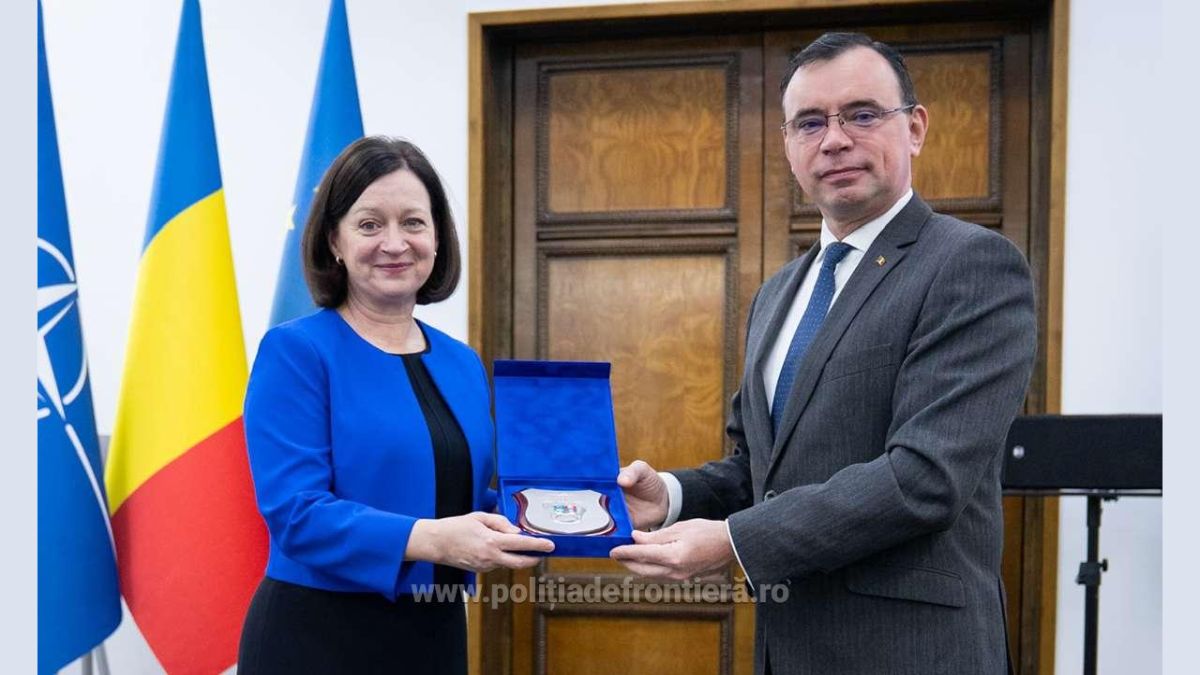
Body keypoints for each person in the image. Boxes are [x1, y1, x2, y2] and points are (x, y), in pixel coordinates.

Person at [611, 32, 1036, 674]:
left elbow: (925, 478)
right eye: (810, 123)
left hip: (912, 654)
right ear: (788, 145)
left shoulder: (971, 264)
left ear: (915, 128)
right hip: (788, 650)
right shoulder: (779, 292)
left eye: (862, 115)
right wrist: (669, 495)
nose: (834, 140)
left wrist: (733, 540)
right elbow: (761, 470)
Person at [238, 136, 553, 674]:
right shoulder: (297, 352)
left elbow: (461, 493)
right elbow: (297, 512)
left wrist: (564, 511)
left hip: (434, 631)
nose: (394, 242)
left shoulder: (461, 363)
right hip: (318, 635)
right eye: (369, 224)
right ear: (334, 241)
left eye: (413, 222)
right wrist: (435, 540)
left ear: (437, 237)